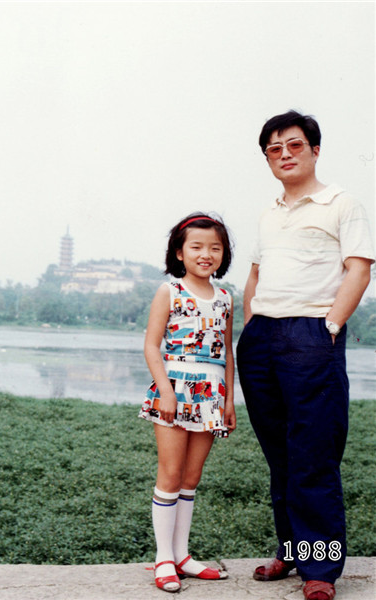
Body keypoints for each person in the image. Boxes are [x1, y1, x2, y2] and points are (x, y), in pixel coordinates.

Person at [236, 110, 375, 600]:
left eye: (294, 145)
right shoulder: (269, 212)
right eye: (274, 149)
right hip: (263, 340)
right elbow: (254, 273)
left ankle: (321, 570)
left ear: (314, 150)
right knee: (281, 455)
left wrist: (331, 325)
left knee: (313, 454)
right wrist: (251, 324)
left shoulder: (342, 204)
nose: (284, 155)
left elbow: (358, 270)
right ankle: (292, 550)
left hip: (311, 335)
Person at [138, 212, 236, 593]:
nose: (205, 254)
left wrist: (228, 401)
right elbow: (151, 344)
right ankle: (164, 558)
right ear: (180, 252)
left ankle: (182, 556)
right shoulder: (170, 291)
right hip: (174, 390)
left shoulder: (226, 297)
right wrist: (165, 390)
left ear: (223, 253)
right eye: (196, 247)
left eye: (215, 247)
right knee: (170, 474)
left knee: (191, 479)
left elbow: (227, 352)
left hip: (211, 394)